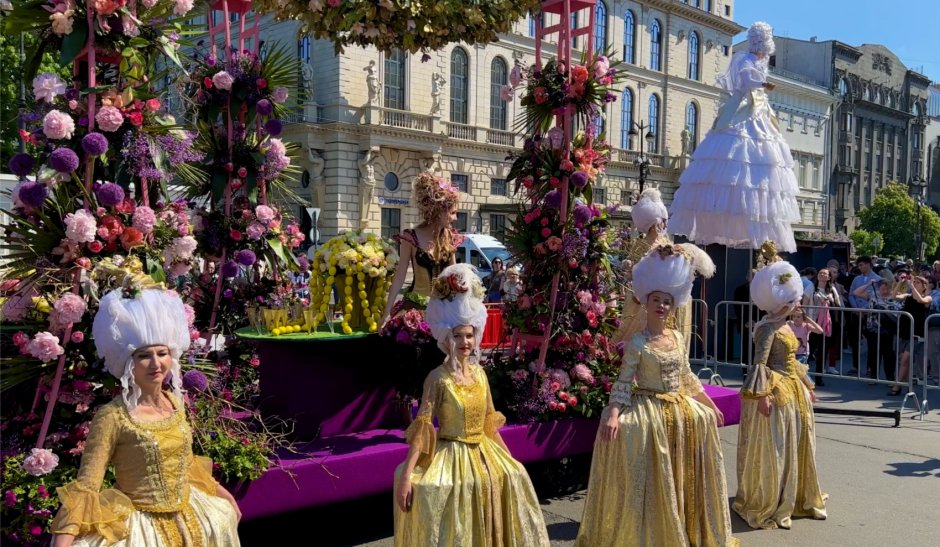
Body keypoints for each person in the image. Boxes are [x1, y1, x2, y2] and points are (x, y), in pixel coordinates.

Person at [51, 290, 241, 546]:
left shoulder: (175, 402)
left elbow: (185, 462)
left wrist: (222, 494)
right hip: (142, 531)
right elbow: (88, 485)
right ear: (129, 362)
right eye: (144, 355)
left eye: (162, 353)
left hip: (192, 513)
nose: (156, 364)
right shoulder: (113, 416)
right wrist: (64, 541)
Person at [577, 244, 736, 547]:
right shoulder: (638, 342)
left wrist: (709, 403)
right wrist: (612, 413)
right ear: (645, 302)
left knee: (701, 420)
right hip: (649, 402)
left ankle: (687, 521)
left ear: (672, 305)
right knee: (633, 434)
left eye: (666, 301)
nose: (661, 305)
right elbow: (624, 382)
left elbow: (687, 377)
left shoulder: (676, 337)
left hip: (679, 403)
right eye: (656, 300)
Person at [393, 264, 550, 546]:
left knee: (515, 474)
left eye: (469, 335)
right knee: (436, 489)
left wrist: (511, 458)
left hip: (484, 450)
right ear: (445, 338)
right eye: (458, 335)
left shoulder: (480, 373)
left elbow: (490, 422)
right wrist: (406, 475)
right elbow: (423, 427)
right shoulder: (437, 379)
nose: (465, 341)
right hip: (452, 451)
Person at [668, 21, 800, 253]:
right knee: (737, 157)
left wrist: (762, 85)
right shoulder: (744, 59)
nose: (763, 55)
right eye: (763, 49)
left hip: (758, 110)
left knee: (762, 159)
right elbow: (747, 79)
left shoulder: (757, 61)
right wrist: (764, 83)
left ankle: (752, 224)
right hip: (742, 111)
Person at [734, 244, 827, 530]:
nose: (796, 304)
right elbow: (760, 363)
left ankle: (797, 493)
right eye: (791, 300)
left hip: (793, 390)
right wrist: (761, 396)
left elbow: (792, 360)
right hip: (776, 392)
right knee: (778, 447)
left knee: (797, 443)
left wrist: (806, 384)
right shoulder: (766, 327)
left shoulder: (785, 325)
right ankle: (772, 497)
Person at [615, 188, 692, 350]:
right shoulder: (640, 244)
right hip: (644, 300)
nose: (663, 224)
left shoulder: (668, 242)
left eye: (664, 220)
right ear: (652, 222)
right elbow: (632, 270)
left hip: (666, 299)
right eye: (661, 220)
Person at [382, 172, 461, 323]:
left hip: (443, 311)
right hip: (414, 310)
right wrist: (387, 312)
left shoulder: (450, 238)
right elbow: (399, 277)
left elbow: (454, 276)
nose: (455, 218)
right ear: (439, 212)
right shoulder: (410, 237)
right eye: (452, 213)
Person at [892, 275, 933, 395]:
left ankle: (897, 385)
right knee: (904, 361)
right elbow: (894, 296)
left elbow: (920, 300)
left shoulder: (928, 297)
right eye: (914, 282)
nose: (914, 284)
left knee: (905, 360)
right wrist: (900, 283)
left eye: (918, 283)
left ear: (924, 286)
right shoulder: (908, 296)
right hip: (905, 331)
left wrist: (911, 287)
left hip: (916, 333)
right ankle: (909, 387)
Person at [808, 267, 843, 384]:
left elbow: (838, 304)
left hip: (828, 324)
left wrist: (830, 301)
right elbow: (804, 304)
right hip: (813, 322)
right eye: (820, 273)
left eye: (825, 274)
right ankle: (802, 374)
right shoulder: (811, 288)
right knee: (809, 349)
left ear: (829, 277)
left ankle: (819, 377)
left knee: (823, 350)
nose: (822, 275)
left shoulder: (832, 289)